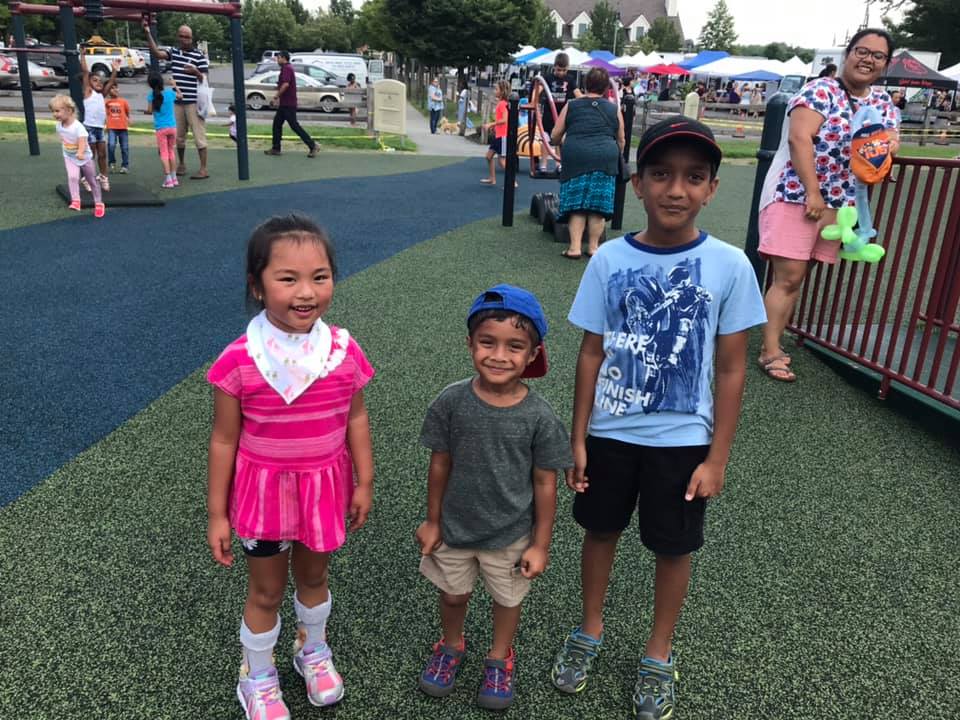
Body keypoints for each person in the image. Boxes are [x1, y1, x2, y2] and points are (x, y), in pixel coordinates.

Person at [551, 116, 766, 720]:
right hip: (609, 434)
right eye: (661, 174)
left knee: (674, 547)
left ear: (712, 189)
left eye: (693, 177)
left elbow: (730, 369)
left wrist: (717, 457)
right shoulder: (610, 259)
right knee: (600, 531)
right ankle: (590, 628)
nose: (677, 189)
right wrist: (578, 437)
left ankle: (658, 651)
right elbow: (591, 353)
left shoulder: (729, 266)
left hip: (682, 442)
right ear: (638, 184)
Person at [207, 214, 375, 720]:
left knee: (315, 577)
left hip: (323, 490)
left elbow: (357, 418)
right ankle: (256, 676)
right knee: (266, 589)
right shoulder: (240, 359)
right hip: (262, 498)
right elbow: (223, 441)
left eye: (320, 277)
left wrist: (365, 480)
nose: (306, 292)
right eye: (288, 279)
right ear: (257, 287)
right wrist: (217, 513)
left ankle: (312, 649)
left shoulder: (342, 351)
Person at [415, 284, 572, 711]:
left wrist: (540, 544)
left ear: (533, 354)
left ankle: (500, 657)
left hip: (511, 535)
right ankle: (451, 645)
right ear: (470, 344)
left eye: (514, 346)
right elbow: (440, 464)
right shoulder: (451, 401)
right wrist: (432, 521)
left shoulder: (539, 416)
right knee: (452, 594)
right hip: (453, 528)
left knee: (507, 599)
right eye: (487, 342)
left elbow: (545, 484)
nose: (499, 356)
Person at [756, 28, 900, 382]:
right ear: (847, 54)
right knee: (788, 276)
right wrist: (813, 192)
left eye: (877, 55)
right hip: (795, 195)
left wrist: (884, 160)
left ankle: (774, 337)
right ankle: (769, 350)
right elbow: (799, 137)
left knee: (799, 276)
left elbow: (885, 145)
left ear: (885, 64)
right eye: (861, 51)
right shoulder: (821, 90)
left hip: (842, 206)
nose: (868, 59)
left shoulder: (882, 102)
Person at [550, 67, 624, 259]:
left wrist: (559, 143)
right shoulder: (613, 108)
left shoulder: (572, 105)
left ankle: (574, 248)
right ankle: (593, 247)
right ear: (606, 87)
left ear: (585, 84)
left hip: (576, 156)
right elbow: (621, 138)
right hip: (605, 157)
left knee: (577, 204)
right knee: (597, 206)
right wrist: (615, 153)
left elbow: (556, 134)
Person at [142, 19, 210, 179]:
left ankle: (203, 168)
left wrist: (196, 73)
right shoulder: (174, 52)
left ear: (192, 38)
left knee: (199, 135)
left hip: (193, 102)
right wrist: (147, 33)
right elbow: (157, 53)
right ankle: (181, 164)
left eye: (187, 37)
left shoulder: (199, 56)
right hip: (177, 102)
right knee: (178, 136)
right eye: (181, 36)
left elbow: (205, 79)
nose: (184, 39)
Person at [49, 94, 104, 218]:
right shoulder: (59, 125)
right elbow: (64, 138)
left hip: (84, 157)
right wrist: (68, 150)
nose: (55, 114)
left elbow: (83, 141)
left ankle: (99, 203)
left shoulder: (78, 127)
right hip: (69, 156)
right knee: (73, 177)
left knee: (91, 181)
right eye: (53, 111)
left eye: (57, 111)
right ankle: (76, 201)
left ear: (69, 110)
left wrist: (80, 152)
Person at [264, 51, 318, 158]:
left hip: (288, 103)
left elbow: (285, 84)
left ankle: (313, 145)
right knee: (277, 124)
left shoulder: (287, 68)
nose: (277, 60)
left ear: (284, 58)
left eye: (278, 58)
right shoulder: (286, 68)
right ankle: (276, 148)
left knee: (294, 126)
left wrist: (275, 97)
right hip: (285, 104)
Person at [79, 54, 119, 192]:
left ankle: (103, 177)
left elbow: (111, 81)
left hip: (100, 128)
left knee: (103, 154)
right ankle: (87, 178)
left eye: (100, 81)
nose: (98, 83)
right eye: (95, 80)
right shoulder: (88, 92)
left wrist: (114, 70)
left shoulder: (101, 95)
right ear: (89, 82)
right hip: (89, 127)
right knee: (91, 155)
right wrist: (82, 55)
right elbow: (85, 72)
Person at [534, 53, 571, 173]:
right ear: (554, 67)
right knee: (546, 140)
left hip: (562, 115)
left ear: (568, 68)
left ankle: (559, 164)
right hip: (549, 115)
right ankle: (543, 164)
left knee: (559, 140)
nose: (561, 73)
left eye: (564, 70)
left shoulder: (569, 79)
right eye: (559, 70)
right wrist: (532, 102)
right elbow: (538, 90)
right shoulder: (548, 78)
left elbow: (577, 93)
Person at [146, 72, 180, 188]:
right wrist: (174, 85)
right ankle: (174, 178)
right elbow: (181, 96)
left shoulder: (151, 96)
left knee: (164, 153)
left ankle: (168, 179)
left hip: (161, 128)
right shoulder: (170, 93)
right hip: (172, 127)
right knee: (171, 152)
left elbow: (150, 110)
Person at [481, 80, 511, 186]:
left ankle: (512, 181)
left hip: (502, 136)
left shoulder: (503, 104)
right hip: (498, 135)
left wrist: (491, 124)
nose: (494, 91)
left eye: (496, 89)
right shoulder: (500, 103)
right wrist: (495, 127)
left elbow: (505, 119)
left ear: (502, 91)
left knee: (502, 161)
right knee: (489, 156)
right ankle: (492, 179)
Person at [105, 82, 130, 173]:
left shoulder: (123, 101)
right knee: (111, 145)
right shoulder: (106, 102)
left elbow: (127, 112)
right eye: (112, 88)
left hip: (123, 128)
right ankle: (112, 163)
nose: (115, 90)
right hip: (112, 128)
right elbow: (105, 113)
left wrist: (128, 119)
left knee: (125, 147)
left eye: (116, 88)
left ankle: (125, 166)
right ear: (108, 91)